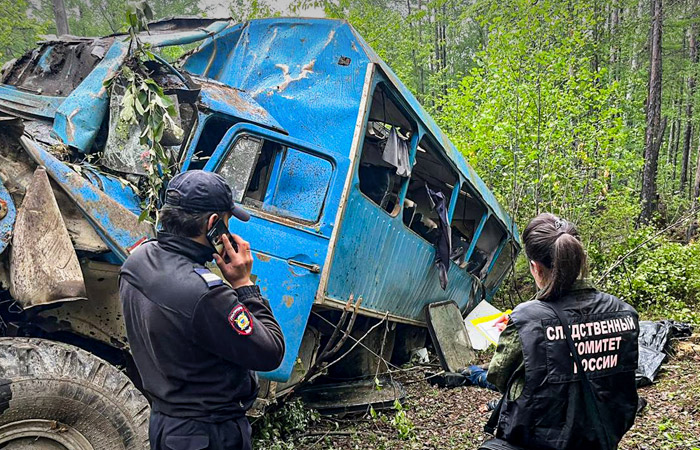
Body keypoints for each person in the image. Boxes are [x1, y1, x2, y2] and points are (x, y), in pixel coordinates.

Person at [119, 170, 285, 450]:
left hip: (166, 424)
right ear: (213, 224)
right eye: (228, 222)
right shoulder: (206, 294)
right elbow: (270, 352)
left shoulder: (138, 260)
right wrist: (243, 283)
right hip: (208, 434)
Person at [479, 213, 639, 450]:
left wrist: (517, 334)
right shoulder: (625, 313)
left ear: (535, 268)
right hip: (601, 439)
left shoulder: (527, 319)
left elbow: (500, 378)